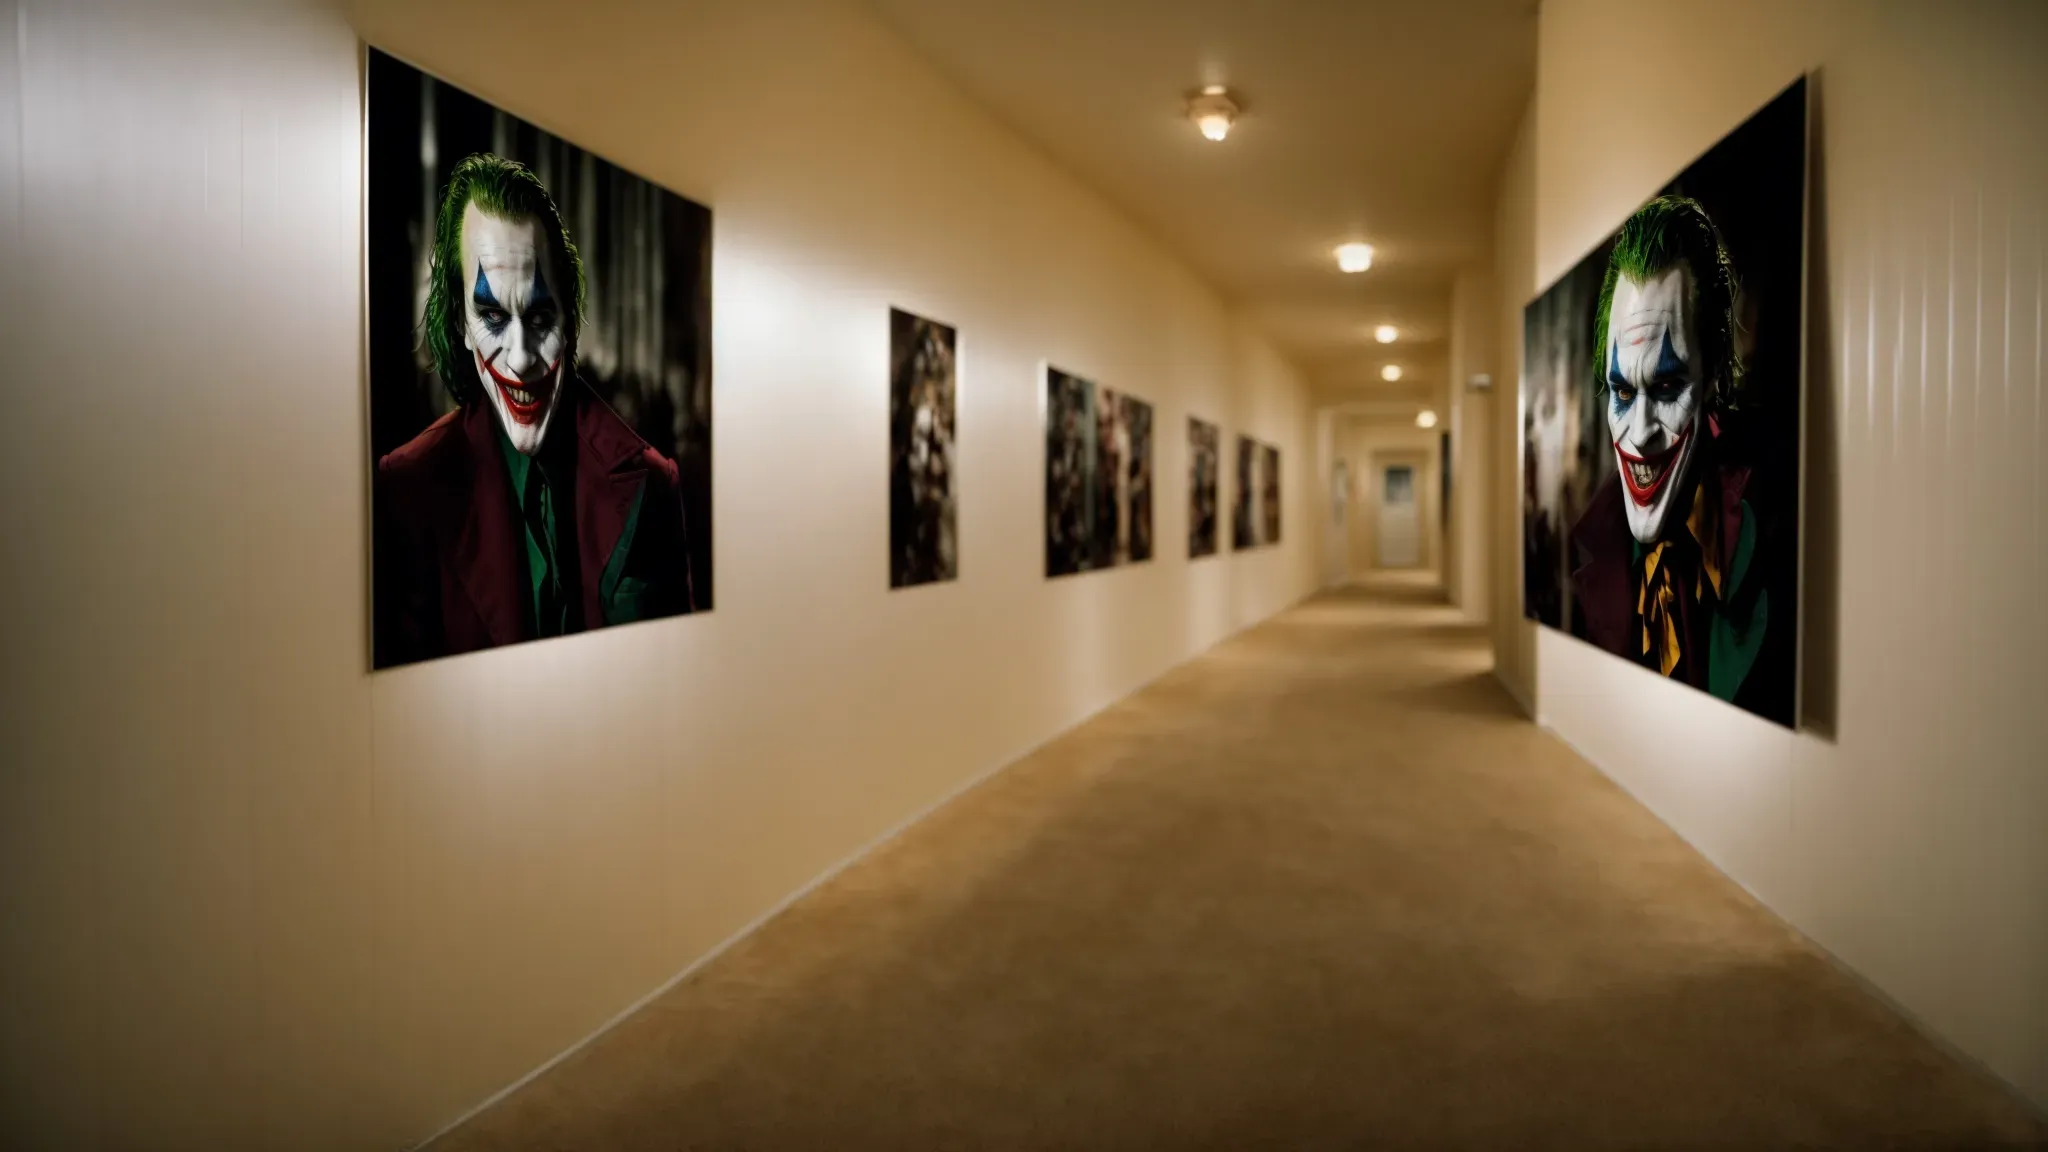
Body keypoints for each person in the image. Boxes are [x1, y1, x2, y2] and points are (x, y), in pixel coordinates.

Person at [375, 153, 694, 666]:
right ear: (461, 321)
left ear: (569, 316)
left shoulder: (651, 484)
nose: (521, 359)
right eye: (492, 315)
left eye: (541, 315)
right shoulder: (409, 489)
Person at [1568, 195, 1788, 714]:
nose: (1639, 432)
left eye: (1667, 386)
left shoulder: (1776, 541)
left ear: (1711, 380)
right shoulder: (1599, 551)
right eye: (1622, 393)